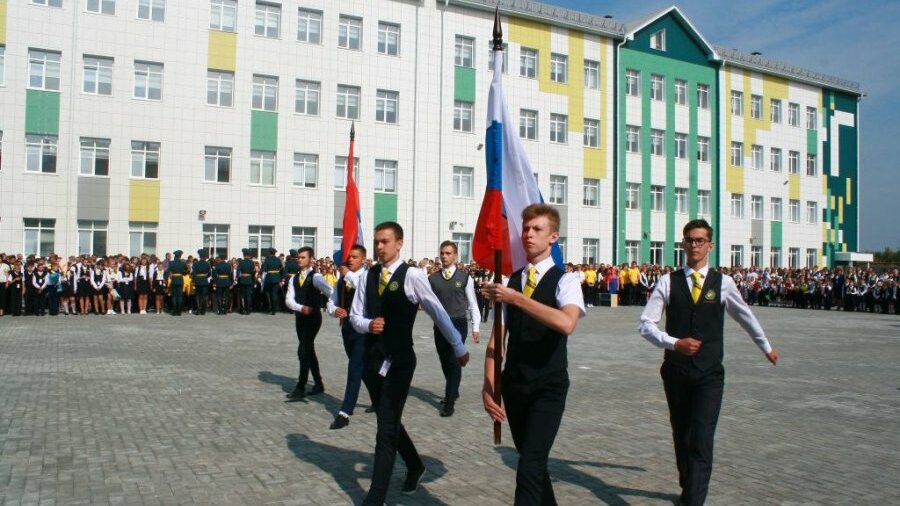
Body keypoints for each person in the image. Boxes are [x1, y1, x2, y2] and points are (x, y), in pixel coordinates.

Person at [638, 219, 778, 506]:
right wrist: (674, 343)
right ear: (683, 244)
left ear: (710, 245)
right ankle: (688, 487)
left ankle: (693, 500)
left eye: (700, 240)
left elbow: (745, 316)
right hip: (676, 371)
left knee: (701, 437)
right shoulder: (668, 281)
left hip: (710, 373)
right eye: (689, 240)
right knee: (682, 434)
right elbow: (646, 325)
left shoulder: (723, 283)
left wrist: (765, 346)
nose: (694, 245)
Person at [349, 221, 469, 504]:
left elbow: (437, 311)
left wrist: (458, 346)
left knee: (385, 430)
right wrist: (368, 325)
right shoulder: (368, 275)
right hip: (373, 360)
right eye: (377, 242)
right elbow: (355, 316)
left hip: (400, 360)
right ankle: (414, 465)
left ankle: (375, 498)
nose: (379, 247)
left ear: (399, 244)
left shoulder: (412, 275)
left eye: (385, 241)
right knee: (388, 420)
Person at [481, 204, 585, 505]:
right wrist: (489, 385)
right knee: (533, 465)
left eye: (537, 229)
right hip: (515, 386)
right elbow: (496, 341)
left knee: (528, 467)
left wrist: (517, 299)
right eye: (526, 228)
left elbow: (566, 323)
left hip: (548, 386)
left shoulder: (566, 281)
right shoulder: (510, 282)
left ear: (553, 237)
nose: (528, 234)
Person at [428, 240, 481, 417]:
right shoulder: (433, 279)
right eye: (442, 253)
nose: (444, 256)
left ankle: (449, 402)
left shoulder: (465, 278)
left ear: (456, 256)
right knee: (444, 360)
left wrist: (475, 327)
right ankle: (453, 389)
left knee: (453, 360)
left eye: (448, 253)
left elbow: (473, 304)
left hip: (458, 323)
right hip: (440, 325)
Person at [324, 244, 375, 429]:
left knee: (354, 368)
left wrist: (348, 275)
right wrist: (334, 310)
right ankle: (378, 398)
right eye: (349, 257)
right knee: (363, 368)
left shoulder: (368, 276)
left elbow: (365, 290)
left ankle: (345, 412)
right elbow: (331, 301)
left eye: (355, 257)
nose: (350, 260)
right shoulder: (342, 280)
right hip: (347, 329)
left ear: (363, 259)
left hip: (363, 330)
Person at [284, 246, 333, 400]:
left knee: (303, 350)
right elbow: (288, 300)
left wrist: (330, 306)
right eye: (298, 257)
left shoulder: (316, 277)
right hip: (300, 318)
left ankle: (301, 387)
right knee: (308, 349)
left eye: (303, 257)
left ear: (311, 259)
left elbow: (331, 292)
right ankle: (318, 383)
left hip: (313, 318)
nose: (299, 260)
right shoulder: (294, 278)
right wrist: (300, 308)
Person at [261, 247, 283, 315]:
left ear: (269, 253)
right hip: (276, 278)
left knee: (267, 293)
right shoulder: (278, 260)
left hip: (269, 278)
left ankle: (269, 306)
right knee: (274, 294)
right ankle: (274, 310)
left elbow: (264, 269)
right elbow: (281, 268)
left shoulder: (267, 260)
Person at [192, 249, 212, 315]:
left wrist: (194, 281)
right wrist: (205, 277)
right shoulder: (207, 264)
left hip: (197, 281)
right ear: (204, 256)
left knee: (197, 296)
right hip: (204, 281)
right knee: (204, 296)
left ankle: (198, 310)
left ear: (199, 256)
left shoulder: (196, 263)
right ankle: (203, 310)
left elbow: (194, 273)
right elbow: (209, 273)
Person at [237, 249, 256, 315]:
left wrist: (238, 277)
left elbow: (238, 272)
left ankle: (242, 310)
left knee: (242, 295)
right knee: (248, 296)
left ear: (244, 255)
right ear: (249, 255)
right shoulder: (251, 262)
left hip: (242, 280)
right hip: (249, 280)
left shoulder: (241, 262)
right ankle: (248, 310)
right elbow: (253, 272)